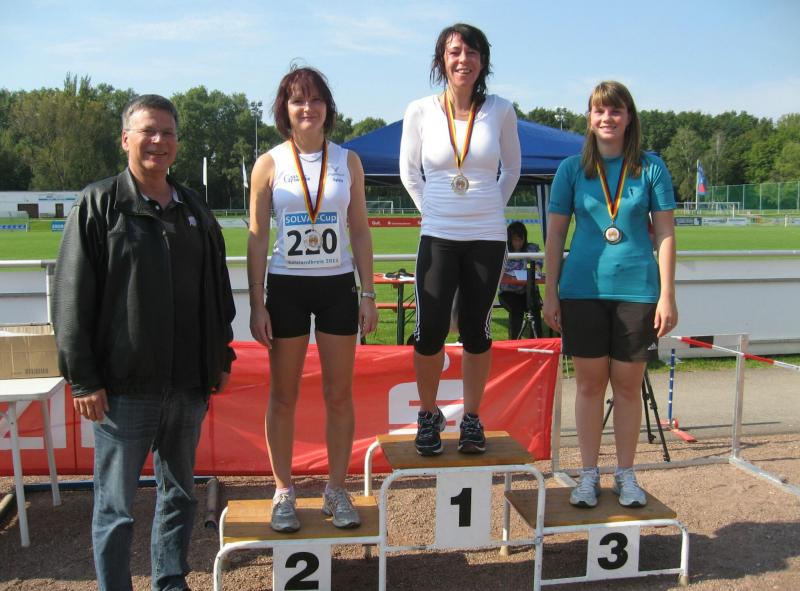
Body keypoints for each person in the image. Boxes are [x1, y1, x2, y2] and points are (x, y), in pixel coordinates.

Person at [52, 94, 236, 591]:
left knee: (180, 496)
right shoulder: (99, 204)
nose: (158, 141)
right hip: (123, 388)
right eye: (148, 131)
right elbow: (70, 296)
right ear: (125, 139)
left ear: (177, 142)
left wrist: (221, 354)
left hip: (188, 385)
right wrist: (83, 378)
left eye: (167, 132)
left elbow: (218, 291)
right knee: (116, 507)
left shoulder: (194, 208)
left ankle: (169, 581)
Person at [247, 66, 378, 533]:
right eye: (298, 100)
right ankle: (283, 489)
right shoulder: (269, 164)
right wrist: (257, 301)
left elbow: (359, 229)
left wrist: (368, 292)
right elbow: (257, 235)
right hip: (287, 287)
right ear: (284, 109)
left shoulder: (348, 161)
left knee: (338, 394)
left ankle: (336, 488)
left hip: (336, 286)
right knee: (283, 395)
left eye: (316, 99)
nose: (308, 108)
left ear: (328, 108)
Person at [543, 81, 677, 509]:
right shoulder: (571, 169)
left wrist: (668, 294)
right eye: (599, 111)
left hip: (638, 292)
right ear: (589, 118)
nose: (607, 118)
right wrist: (550, 293)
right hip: (582, 291)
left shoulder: (651, 168)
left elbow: (666, 234)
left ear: (629, 117)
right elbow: (555, 235)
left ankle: (625, 473)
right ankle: (587, 474)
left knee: (627, 386)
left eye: (615, 111)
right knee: (588, 384)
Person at [399, 23, 521, 456]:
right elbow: (409, 172)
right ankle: (428, 414)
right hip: (438, 234)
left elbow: (512, 169)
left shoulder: (501, 110)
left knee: (476, 329)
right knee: (429, 329)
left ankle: (471, 417)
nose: (462, 60)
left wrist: (489, 208)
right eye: (454, 52)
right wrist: (432, 209)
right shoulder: (419, 110)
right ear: (442, 60)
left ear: (482, 61)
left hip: (486, 236)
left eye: (471, 52)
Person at [499, 221, 542, 339]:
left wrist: (536, 266)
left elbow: (538, 265)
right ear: (509, 239)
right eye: (515, 240)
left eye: (520, 239)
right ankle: (513, 342)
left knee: (534, 308)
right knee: (516, 309)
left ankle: (537, 342)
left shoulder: (531, 249)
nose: (518, 243)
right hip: (508, 292)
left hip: (527, 291)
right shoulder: (503, 250)